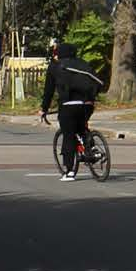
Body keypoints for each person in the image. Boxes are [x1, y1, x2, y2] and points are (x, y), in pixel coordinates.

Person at [39, 36, 105, 181]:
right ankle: (92, 148)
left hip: (68, 105)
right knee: (82, 127)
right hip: (87, 104)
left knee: (68, 135)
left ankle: (69, 171)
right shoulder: (83, 64)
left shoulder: (55, 66)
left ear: (59, 53)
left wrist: (44, 109)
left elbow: (48, 91)